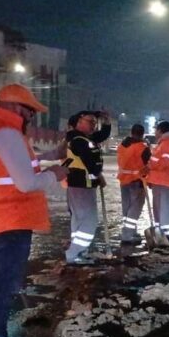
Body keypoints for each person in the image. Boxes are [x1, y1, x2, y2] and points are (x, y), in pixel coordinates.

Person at [0, 84, 68, 337]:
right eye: (29, 112)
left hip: (2, 222)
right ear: (17, 109)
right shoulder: (7, 133)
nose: (31, 118)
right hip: (7, 224)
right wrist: (55, 174)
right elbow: (25, 183)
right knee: (0, 292)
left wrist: (48, 162)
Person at [63, 110, 111, 264]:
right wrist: (99, 176)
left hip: (81, 185)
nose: (93, 125)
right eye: (90, 121)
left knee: (79, 220)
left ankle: (79, 252)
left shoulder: (83, 138)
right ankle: (74, 253)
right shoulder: (79, 140)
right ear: (79, 122)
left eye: (94, 122)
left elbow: (102, 135)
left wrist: (107, 122)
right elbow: (90, 163)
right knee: (89, 221)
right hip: (81, 186)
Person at [145, 120, 169, 246]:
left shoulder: (168, 144)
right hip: (160, 182)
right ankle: (161, 234)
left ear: (160, 131)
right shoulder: (164, 143)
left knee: (165, 210)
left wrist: (150, 166)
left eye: (156, 129)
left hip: (165, 182)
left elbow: (166, 162)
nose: (155, 132)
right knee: (159, 210)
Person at [117, 124, 150, 244]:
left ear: (131, 132)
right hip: (137, 180)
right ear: (142, 134)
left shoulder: (122, 145)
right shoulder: (142, 147)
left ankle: (130, 231)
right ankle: (127, 235)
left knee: (127, 208)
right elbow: (148, 165)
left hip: (123, 180)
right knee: (135, 208)